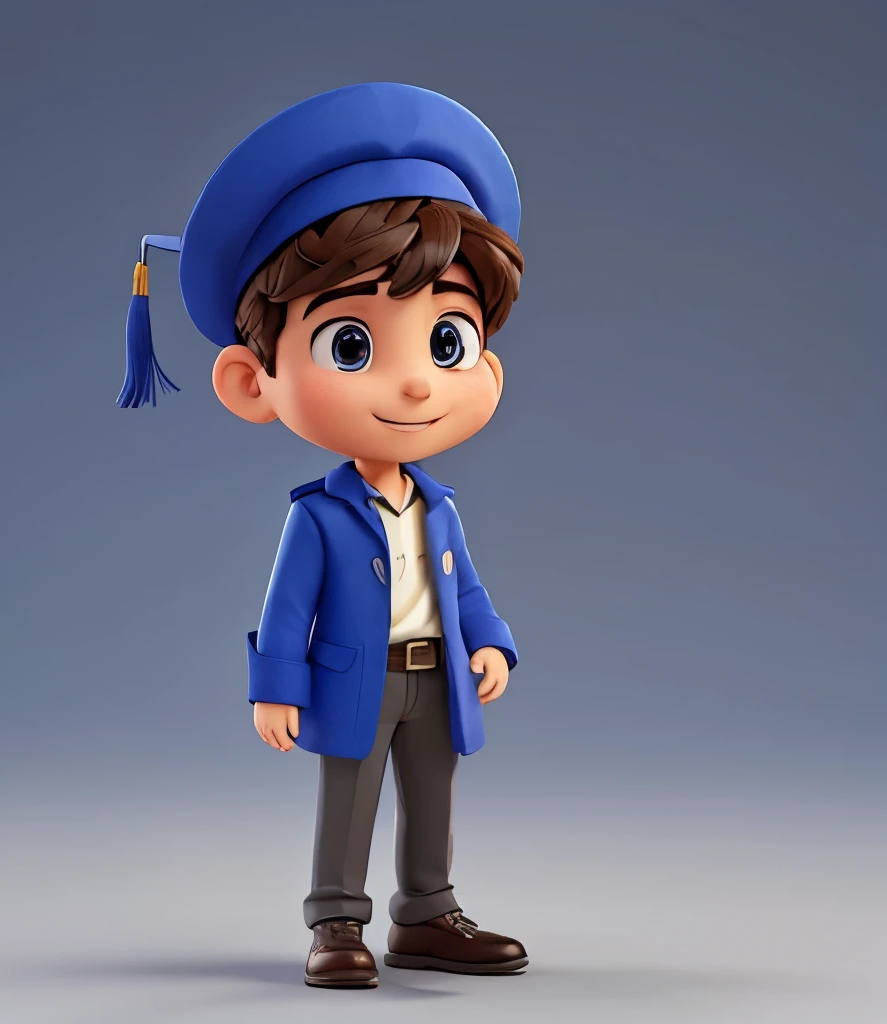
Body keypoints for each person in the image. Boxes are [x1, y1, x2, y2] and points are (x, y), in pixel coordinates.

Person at [118, 82, 528, 988]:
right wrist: (273, 688)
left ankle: (428, 912)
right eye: (353, 344)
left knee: (432, 794)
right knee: (349, 798)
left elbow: (461, 588)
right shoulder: (317, 514)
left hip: (437, 672)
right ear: (250, 383)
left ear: (486, 368)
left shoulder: (440, 505)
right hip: (357, 676)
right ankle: (336, 921)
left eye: (447, 342)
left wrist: (490, 641)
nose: (417, 385)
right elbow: (287, 606)